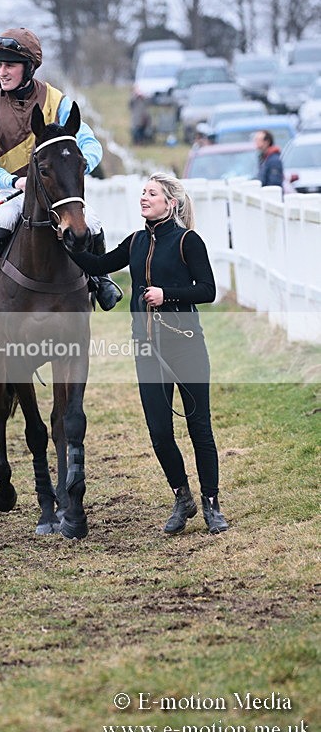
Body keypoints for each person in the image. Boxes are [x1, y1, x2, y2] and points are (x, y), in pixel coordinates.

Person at [67, 172, 229, 536]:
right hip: (147, 349)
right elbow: (98, 265)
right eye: (143, 192)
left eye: (151, 193)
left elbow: (207, 290)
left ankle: (212, 505)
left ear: (170, 203)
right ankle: (182, 497)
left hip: (186, 345)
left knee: (199, 429)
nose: (144, 198)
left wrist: (165, 295)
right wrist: (65, 243)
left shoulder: (189, 241)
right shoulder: (137, 242)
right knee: (159, 432)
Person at [0, 26, 121, 313]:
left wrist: (74, 170)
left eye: (9, 65)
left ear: (29, 67)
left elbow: (90, 146)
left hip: (58, 192)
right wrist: (14, 182)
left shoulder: (57, 101)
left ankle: (101, 279)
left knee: (92, 224)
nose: (2, 72)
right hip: (15, 192)